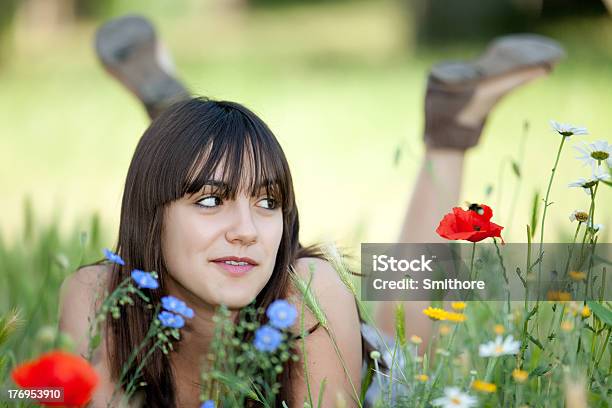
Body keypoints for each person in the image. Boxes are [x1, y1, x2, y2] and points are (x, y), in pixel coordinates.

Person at [59, 15, 565, 407]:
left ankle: (451, 130)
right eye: (210, 201)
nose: (247, 232)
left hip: (366, 375)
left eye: (268, 202)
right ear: (150, 214)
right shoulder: (97, 299)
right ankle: (179, 120)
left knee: (409, 331)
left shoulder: (309, 296)